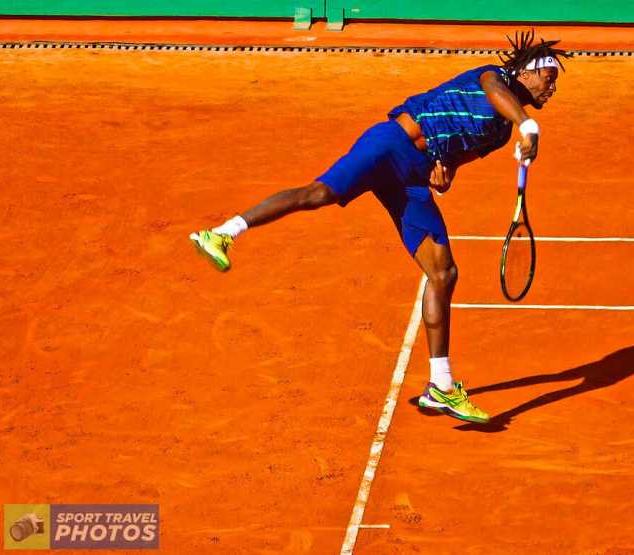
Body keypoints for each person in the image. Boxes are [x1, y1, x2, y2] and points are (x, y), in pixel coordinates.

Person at [190, 31, 570, 424]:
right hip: (390, 145)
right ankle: (223, 232)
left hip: (414, 177)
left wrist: (446, 176)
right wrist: (529, 126)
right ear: (525, 74)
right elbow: (496, 93)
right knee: (318, 194)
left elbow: (458, 159)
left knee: (443, 274)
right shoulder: (493, 79)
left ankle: (441, 385)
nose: (551, 88)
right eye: (549, 77)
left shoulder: (500, 131)